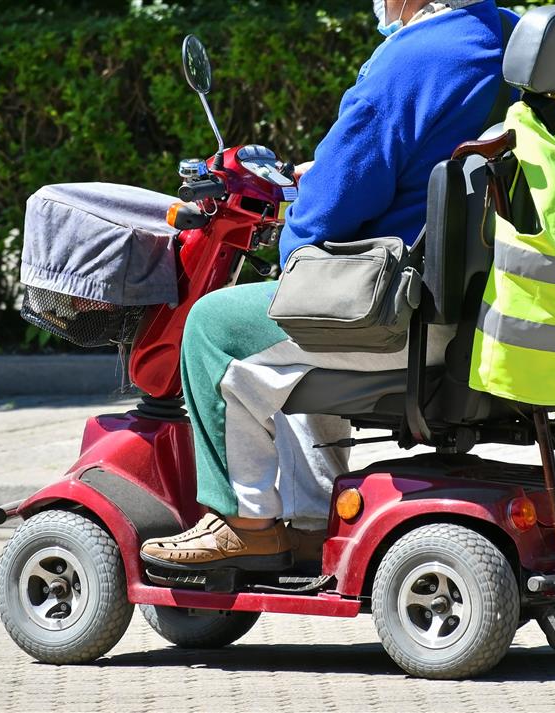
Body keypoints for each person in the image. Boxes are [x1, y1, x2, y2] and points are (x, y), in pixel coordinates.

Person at [141, 0, 509, 571]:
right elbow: (417, 156)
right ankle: (315, 520)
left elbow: (327, 215)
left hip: (408, 318)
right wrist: (333, 170)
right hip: (490, 311)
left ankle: (244, 521)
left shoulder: (410, 59)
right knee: (296, 337)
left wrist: (297, 249)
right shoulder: (514, 40)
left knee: (215, 323)